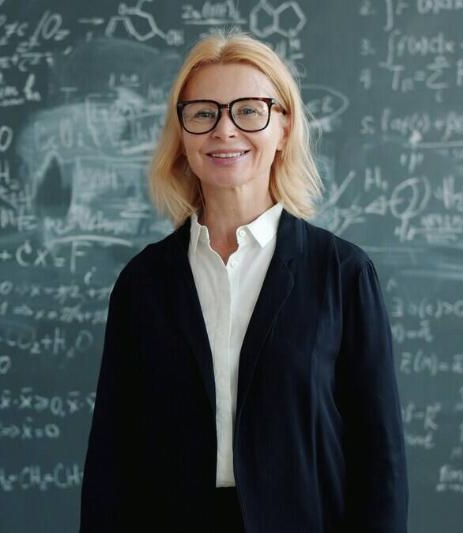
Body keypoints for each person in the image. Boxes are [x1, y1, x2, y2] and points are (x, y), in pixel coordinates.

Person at [79, 29, 408, 533]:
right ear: (182, 133)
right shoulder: (143, 284)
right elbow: (111, 459)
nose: (224, 130)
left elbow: (379, 460)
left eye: (249, 110)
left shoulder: (342, 274)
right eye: (204, 112)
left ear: (283, 127)